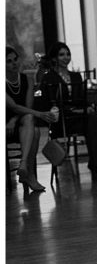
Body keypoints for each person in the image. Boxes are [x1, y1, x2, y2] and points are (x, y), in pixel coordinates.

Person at [37, 42, 97, 180]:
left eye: (68, 54)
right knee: (95, 123)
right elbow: (49, 103)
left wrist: (86, 107)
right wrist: (76, 110)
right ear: (54, 58)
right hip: (62, 120)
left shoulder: (76, 76)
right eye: (62, 55)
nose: (66, 57)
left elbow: (81, 99)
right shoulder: (49, 78)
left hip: (79, 117)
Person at [6, 46, 58, 192]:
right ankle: (29, 175)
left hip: (21, 121)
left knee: (30, 121)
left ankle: (24, 166)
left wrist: (15, 119)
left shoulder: (27, 79)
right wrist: (40, 114)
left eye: (15, 59)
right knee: (34, 131)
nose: (14, 63)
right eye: (8, 61)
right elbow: (14, 106)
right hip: (6, 125)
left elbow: (27, 107)